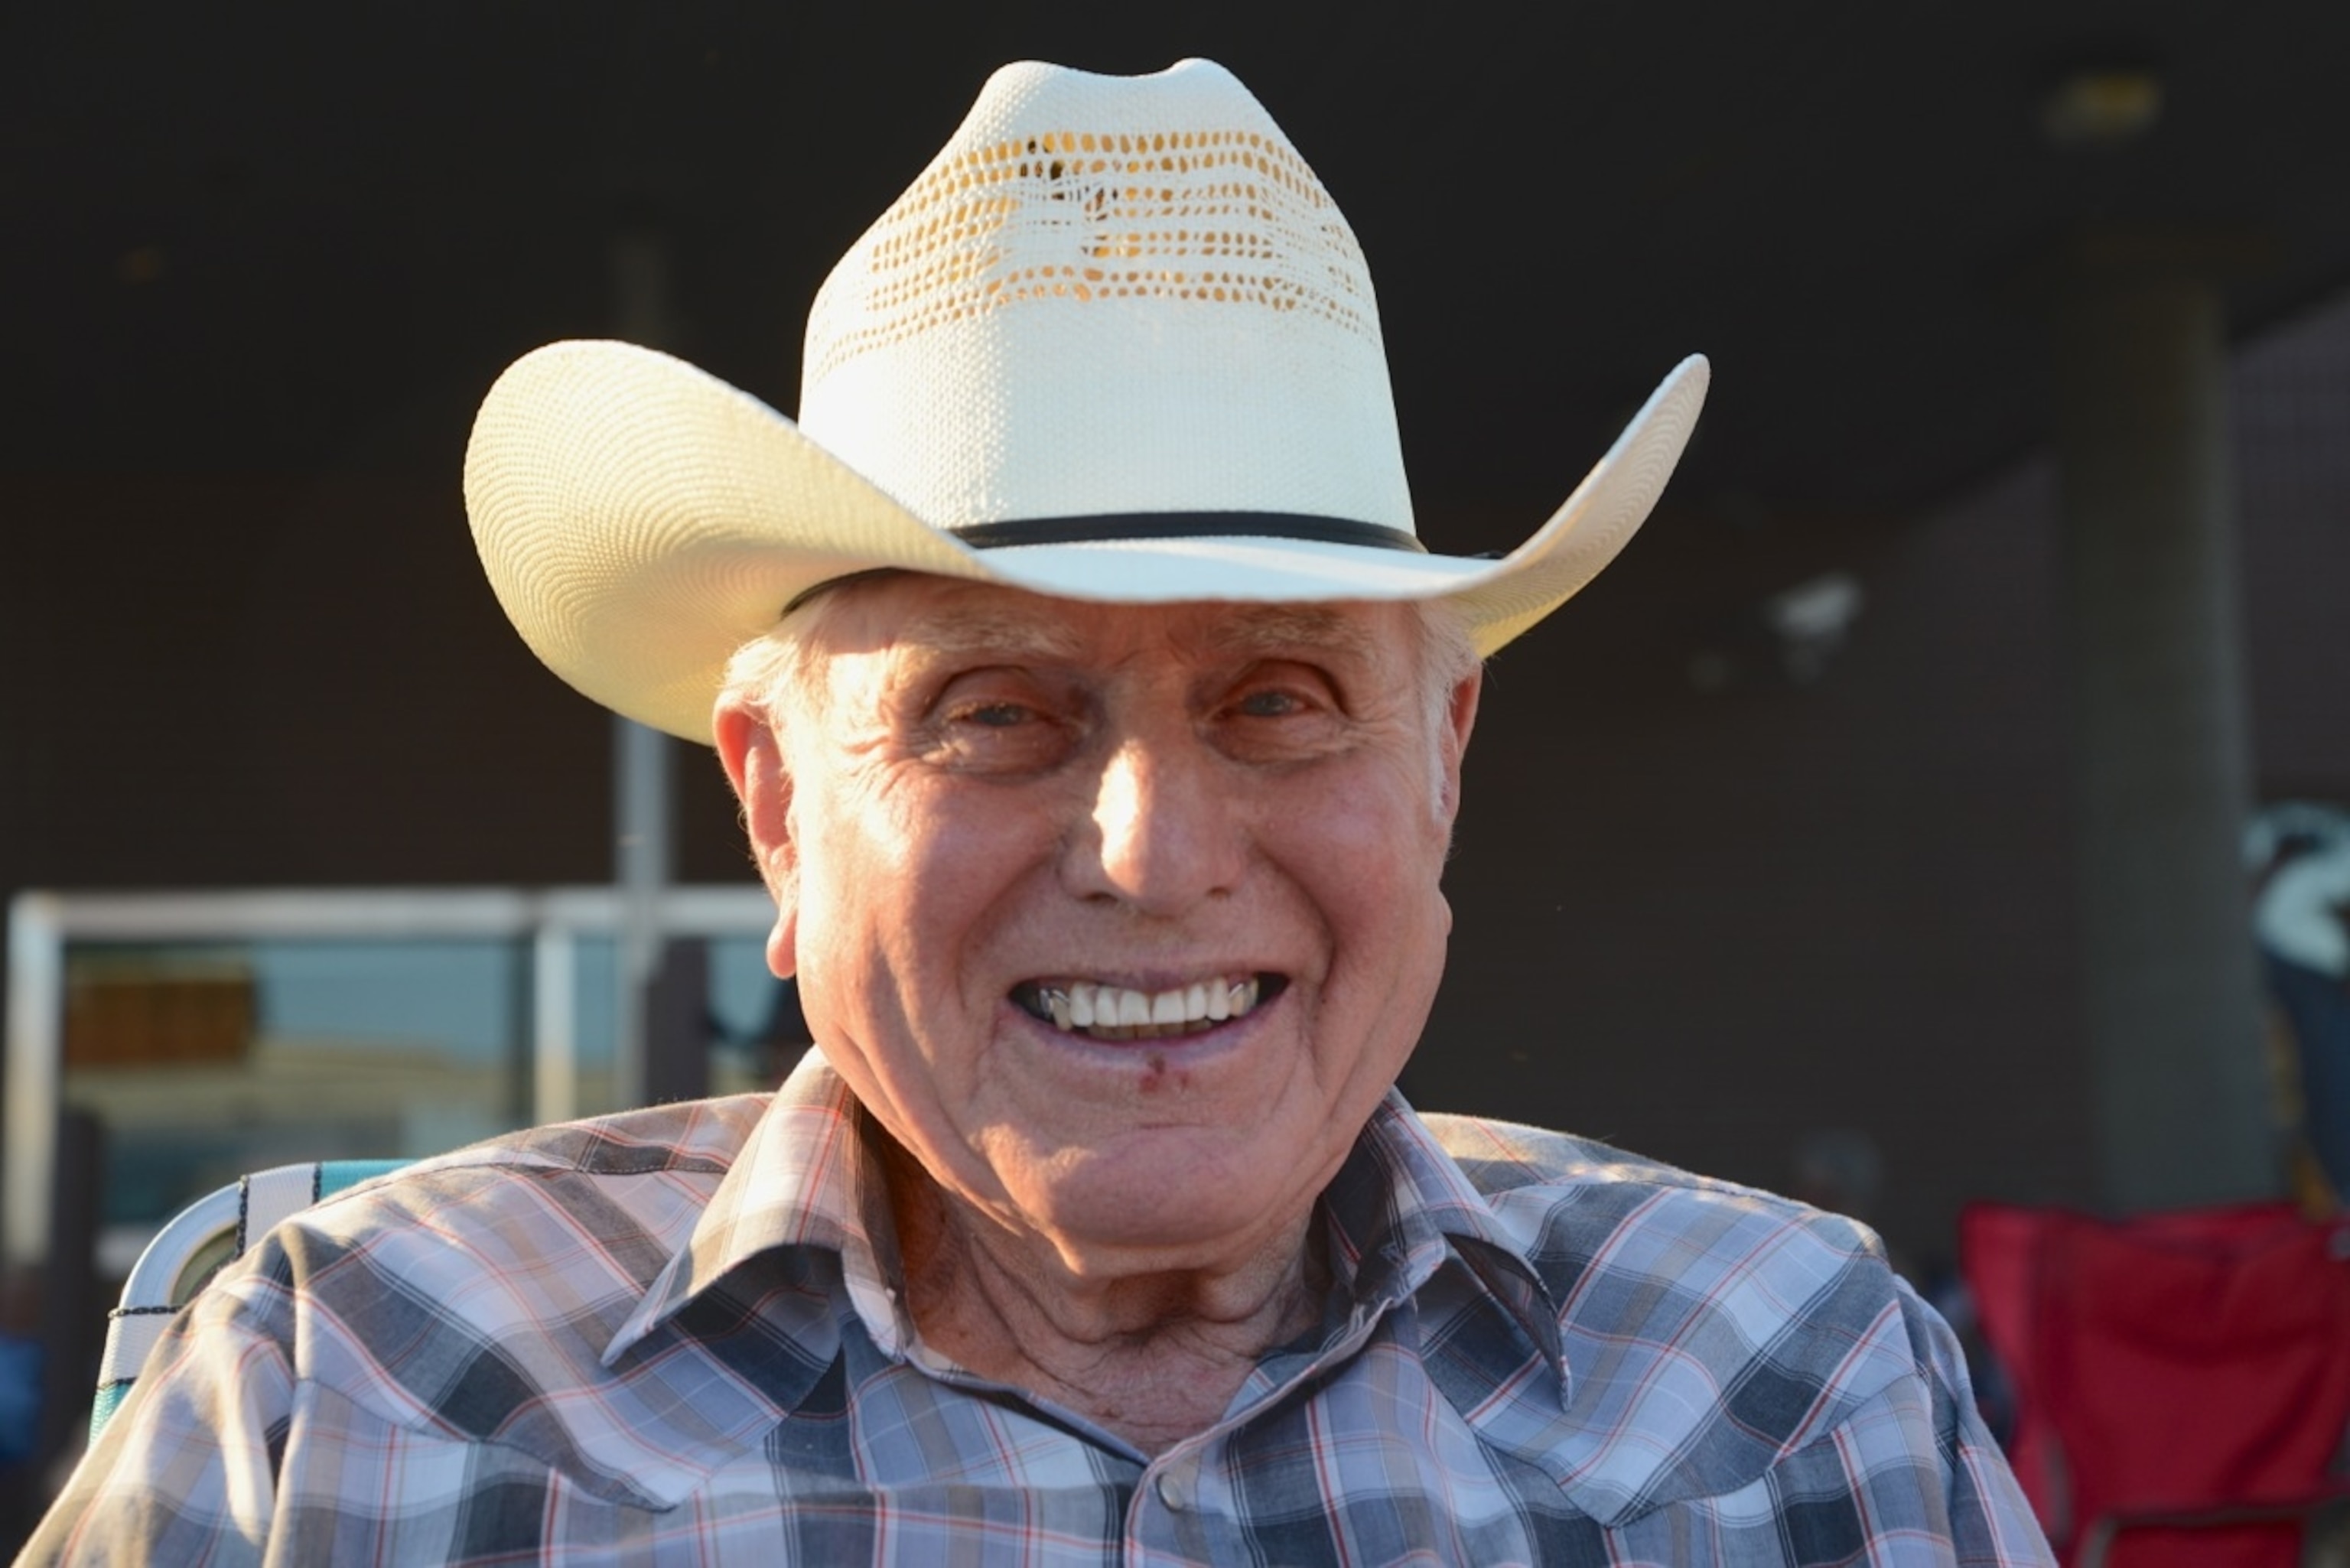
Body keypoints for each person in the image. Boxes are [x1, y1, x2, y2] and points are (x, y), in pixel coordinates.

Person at [24, 59, 2051, 1564]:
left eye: (1280, 695)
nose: (1157, 854)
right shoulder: (349, 1394)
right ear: (779, 807)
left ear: (1442, 760)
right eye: (993, 711)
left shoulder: (1789, 1390)